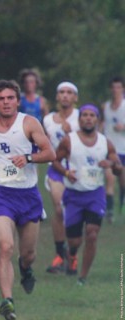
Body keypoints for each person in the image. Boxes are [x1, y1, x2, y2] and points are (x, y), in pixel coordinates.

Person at [0, 80, 55, 320]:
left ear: (18, 101)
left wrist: (28, 158)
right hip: (2, 195)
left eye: (10, 98)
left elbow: (50, 152)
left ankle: (25, 267)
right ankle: (7, 302)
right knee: (5, 247)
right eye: (1, 98)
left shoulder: (29, 123)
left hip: (29, 195)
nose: (6, 102)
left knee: (27, 253)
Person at [53, 104, 122, 285]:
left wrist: (111, 164)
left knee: (92, 234)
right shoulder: (69, 140)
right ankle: (72, 252)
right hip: (74, 196)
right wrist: (67, 173)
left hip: (95, 195)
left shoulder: (105, 142)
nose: (88, 118)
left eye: (92, 115)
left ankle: (82, 277)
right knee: (75, 240)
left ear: (97, 119)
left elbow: (118, 168)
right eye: (85, 115)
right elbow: (54, 162)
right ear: (80, 119)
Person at [42, 81, 80, 273]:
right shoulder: (48, 119)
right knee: (59, 209)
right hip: (55, 169)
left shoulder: (82, 117)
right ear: (57, 96)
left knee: (72, 213)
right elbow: (45, 145)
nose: (65, 95)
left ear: (75, 97)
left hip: (77, 172)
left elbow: (91, 142)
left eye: (69, 92)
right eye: (62, 92)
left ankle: (72, 255)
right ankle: (59, 253)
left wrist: (71, 133)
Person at [101, 76, 125, 221]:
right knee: (109, 179)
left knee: (123, 183)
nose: (115, 90)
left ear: (123, 89)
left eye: (118, 87)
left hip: (123, 149)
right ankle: (109, 211)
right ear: (110, 89)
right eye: (113, 87)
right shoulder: (106, 106)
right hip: (108, 149)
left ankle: (121, 207)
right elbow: (101, 122)